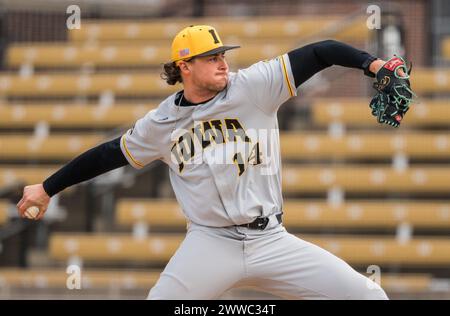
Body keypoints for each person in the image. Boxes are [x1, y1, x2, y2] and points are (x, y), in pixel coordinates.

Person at [17, 25, 393, 299]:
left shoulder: (254, 86)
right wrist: (47, 188)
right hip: (210, 243)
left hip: (271, 240)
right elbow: (107, 154)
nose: (222, 63)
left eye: (222, 55)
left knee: (369, 297)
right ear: (184, 66)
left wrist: (373, 65)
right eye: (211, 57)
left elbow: (321, 51)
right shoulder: (161, 124)